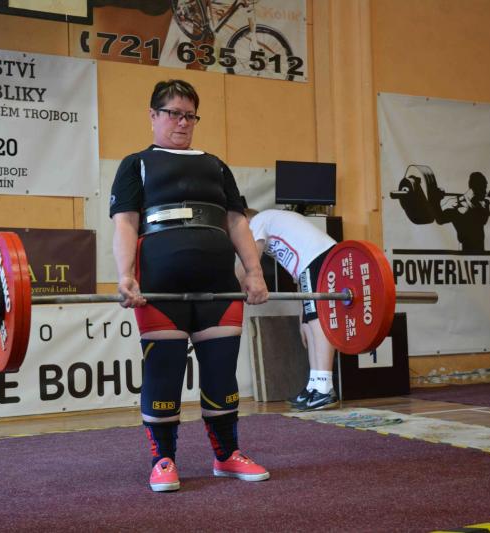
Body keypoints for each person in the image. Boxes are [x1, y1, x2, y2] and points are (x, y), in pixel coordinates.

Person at [110, 79, 271, 492]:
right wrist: (125, 274)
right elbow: (125, 222)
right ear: (153, 115)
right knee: (163, 373)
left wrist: (253, 272)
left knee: (221, 374)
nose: (182, 122)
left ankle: (227, 455)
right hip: (159, 286)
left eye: (190, 115)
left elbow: (236, 221)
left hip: (218, 285)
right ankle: (163, 460)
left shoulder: (216, 165)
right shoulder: (135, 164)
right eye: (173, 113)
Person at [242, 208, 339, 410]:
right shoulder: (270, 223)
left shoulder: (257, 221)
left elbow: (250, 265)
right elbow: (300, 283)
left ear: (244, 221)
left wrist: (224, 286)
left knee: (318, 320)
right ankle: (315, 385)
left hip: (318, 257)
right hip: (313, 261)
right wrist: (302, 316)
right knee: (309, 323)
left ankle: (325, 388)